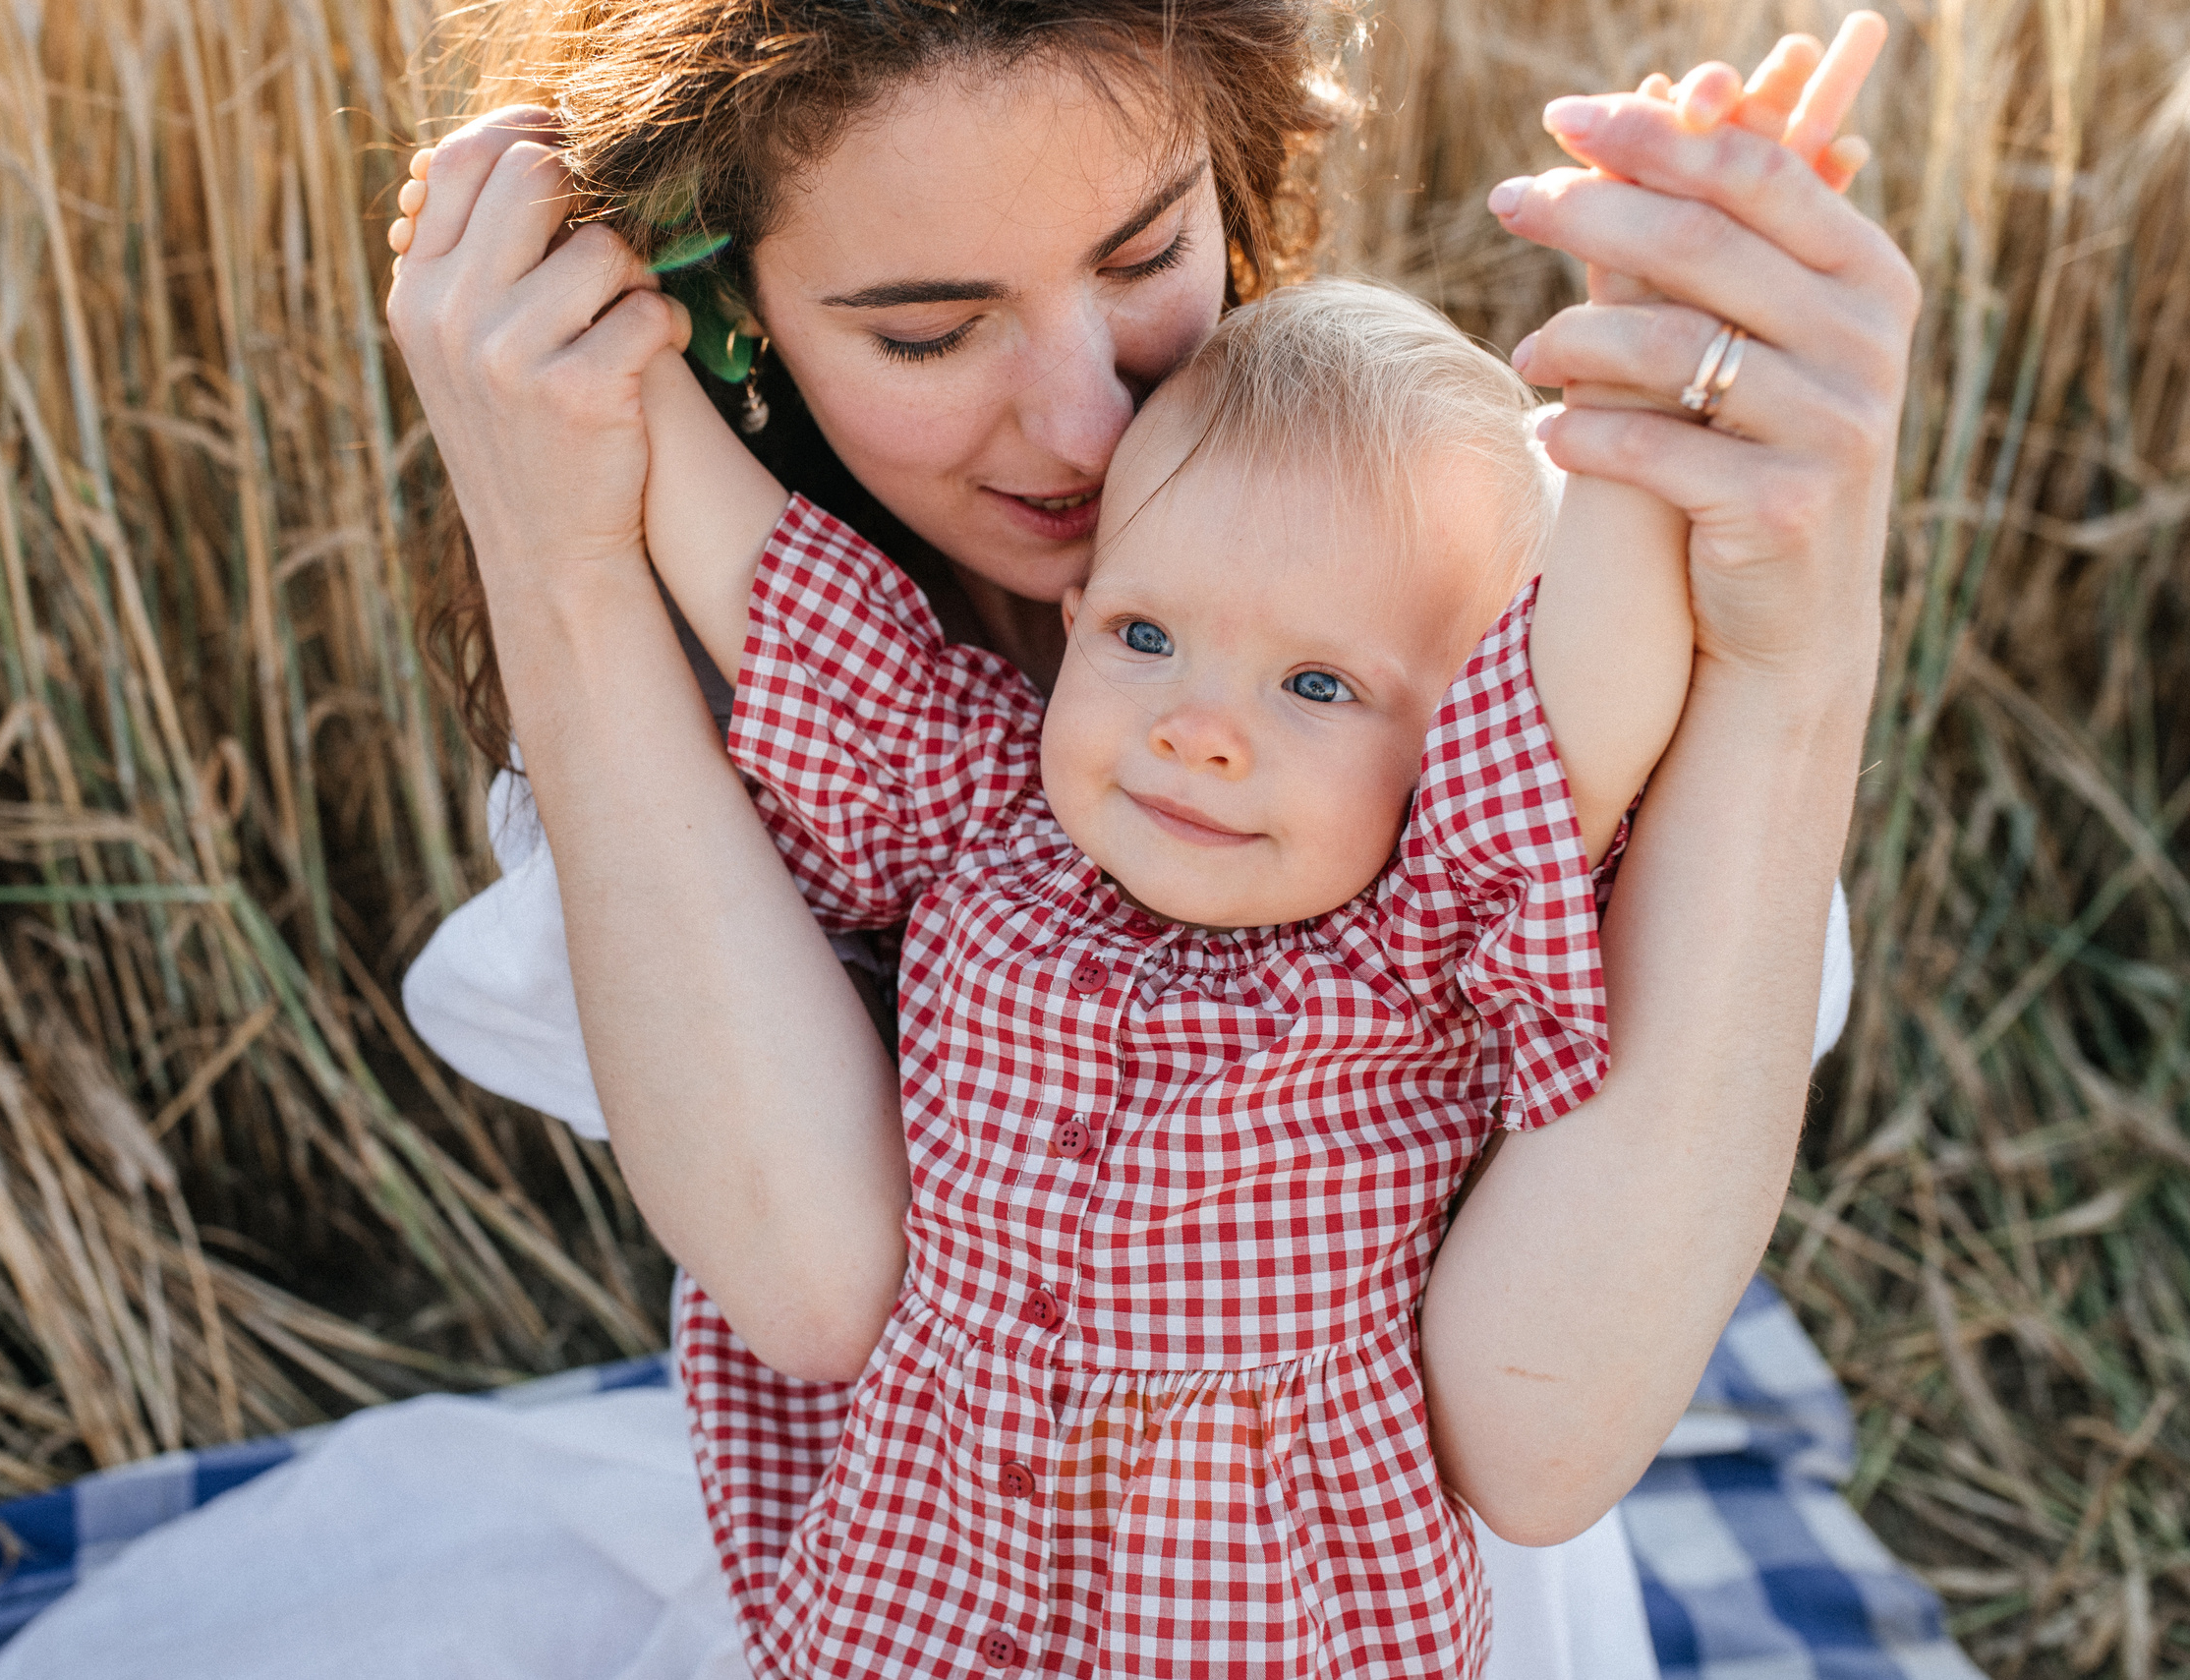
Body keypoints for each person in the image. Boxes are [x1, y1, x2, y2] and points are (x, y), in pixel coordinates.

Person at [384, 3, 1913, 1672]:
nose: (1091, 431)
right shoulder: (958, 772)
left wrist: (1732, 547)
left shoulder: (1445, 613)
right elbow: (817, 1287)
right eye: (925, 333)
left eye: (1143, 255)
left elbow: (1562, 748)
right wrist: (564, 505)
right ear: (725, 310)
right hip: (923, 1592)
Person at [619, 265, 1707, 1674]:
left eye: (1317, 684)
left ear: (1452, 744)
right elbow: (786, 604)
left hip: (1249, 1602)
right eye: (1148, 634)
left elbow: (1591, 704)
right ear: (1076, 620)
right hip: (926, 1574)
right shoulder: (985, 815)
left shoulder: (1410, 939)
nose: (1199, 728)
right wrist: (627, 351)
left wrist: (1636, 394)